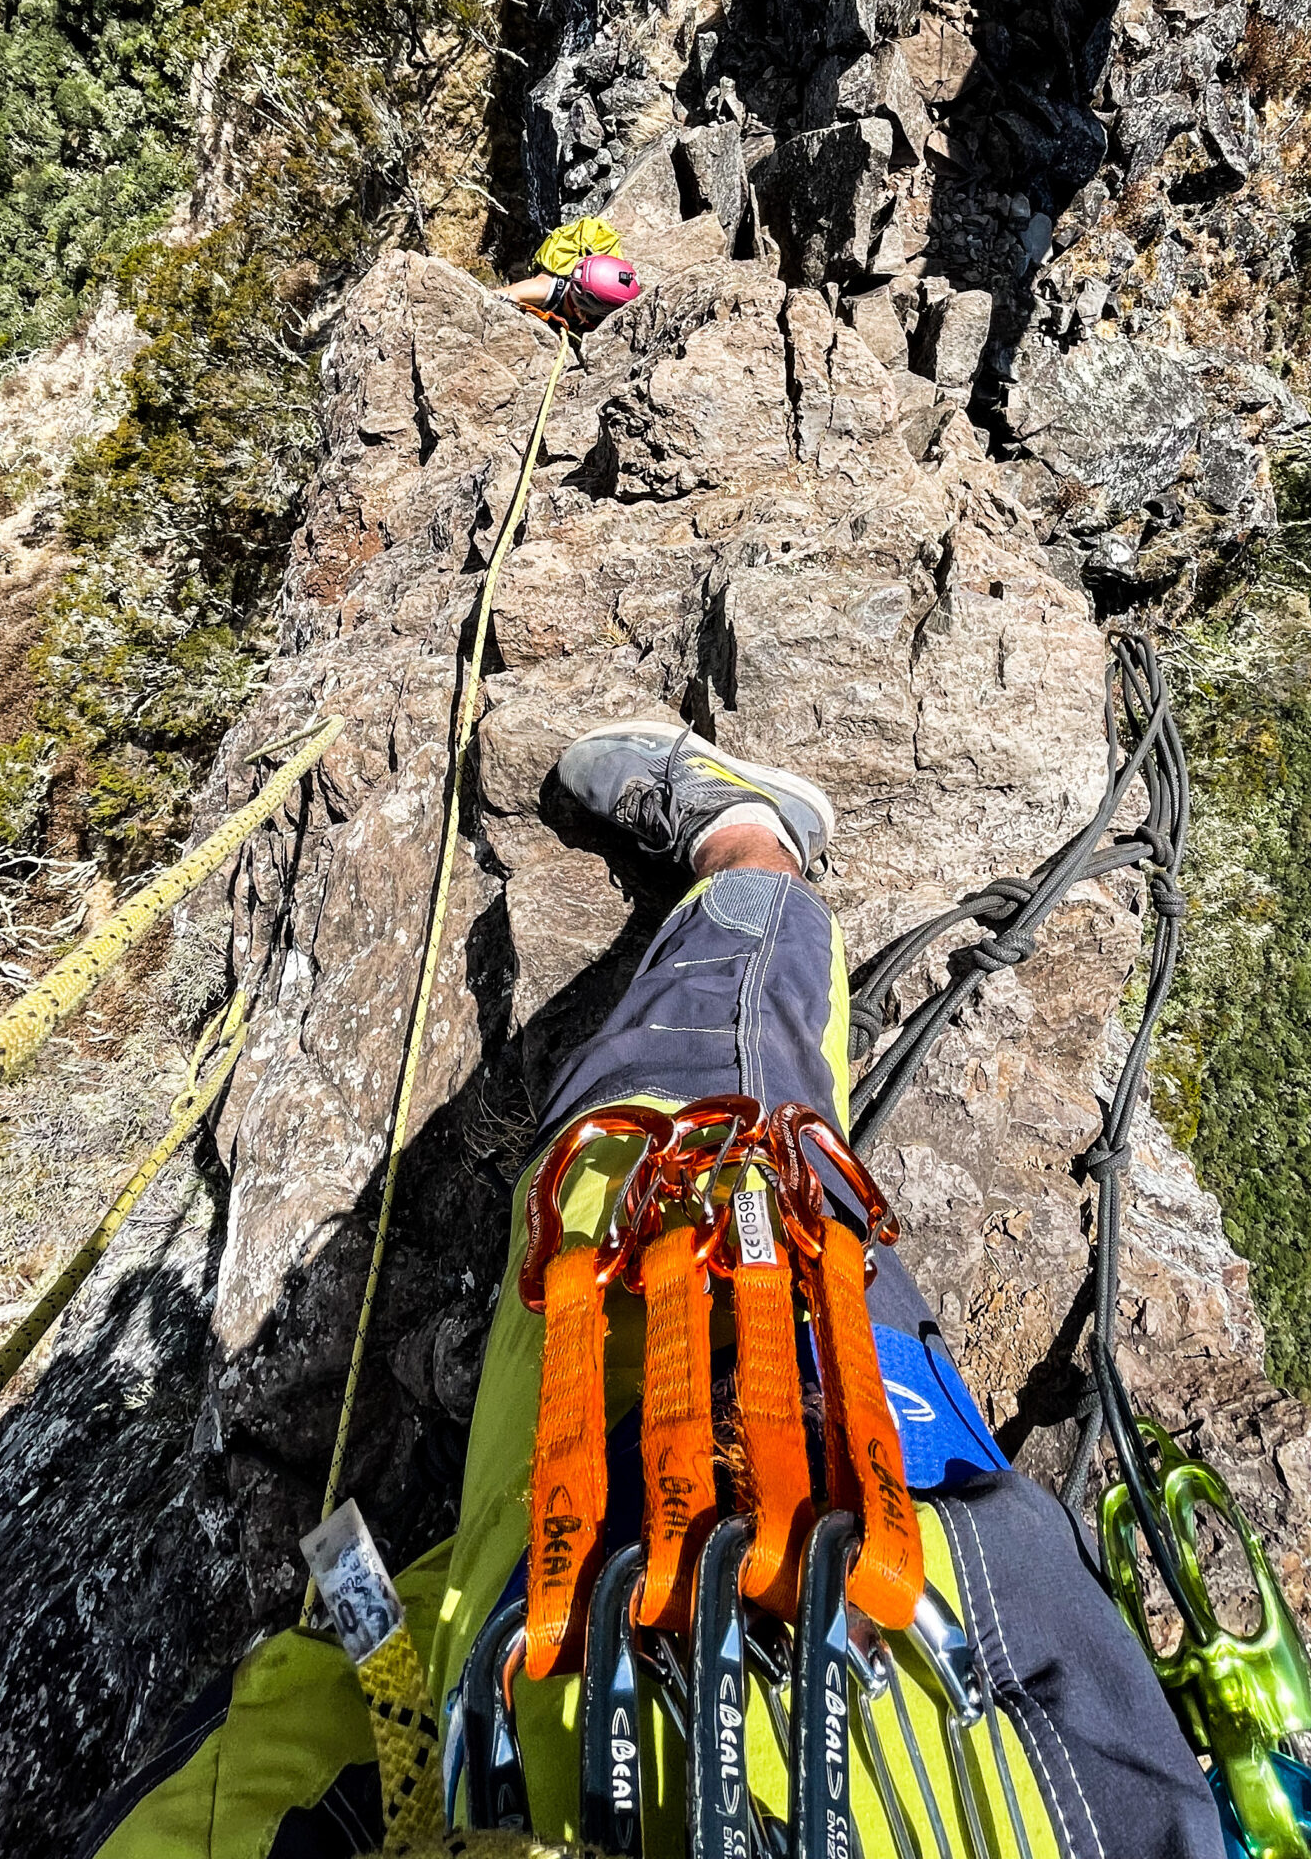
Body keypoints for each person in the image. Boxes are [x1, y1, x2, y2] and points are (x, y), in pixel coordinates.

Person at [85, 723, 1222, 1859]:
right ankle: (754, 852)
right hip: (869, 1582)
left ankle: (748, 854)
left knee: (627, 1150)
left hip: (607, 1609)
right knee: (705, 1106)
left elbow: (282, 1737)